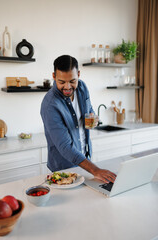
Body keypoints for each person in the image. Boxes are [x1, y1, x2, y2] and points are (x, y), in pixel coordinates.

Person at [41, 55, 116, 183]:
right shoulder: (50, 105)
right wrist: (95, 170)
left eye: (72, 81)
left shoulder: (82, 87)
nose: (67, 87)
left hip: (85, 162)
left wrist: (93, 118)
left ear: (79, 74)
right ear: (53, 76)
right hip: (64, 169)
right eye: (62, 82)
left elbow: (89, 110)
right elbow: (65, 147)